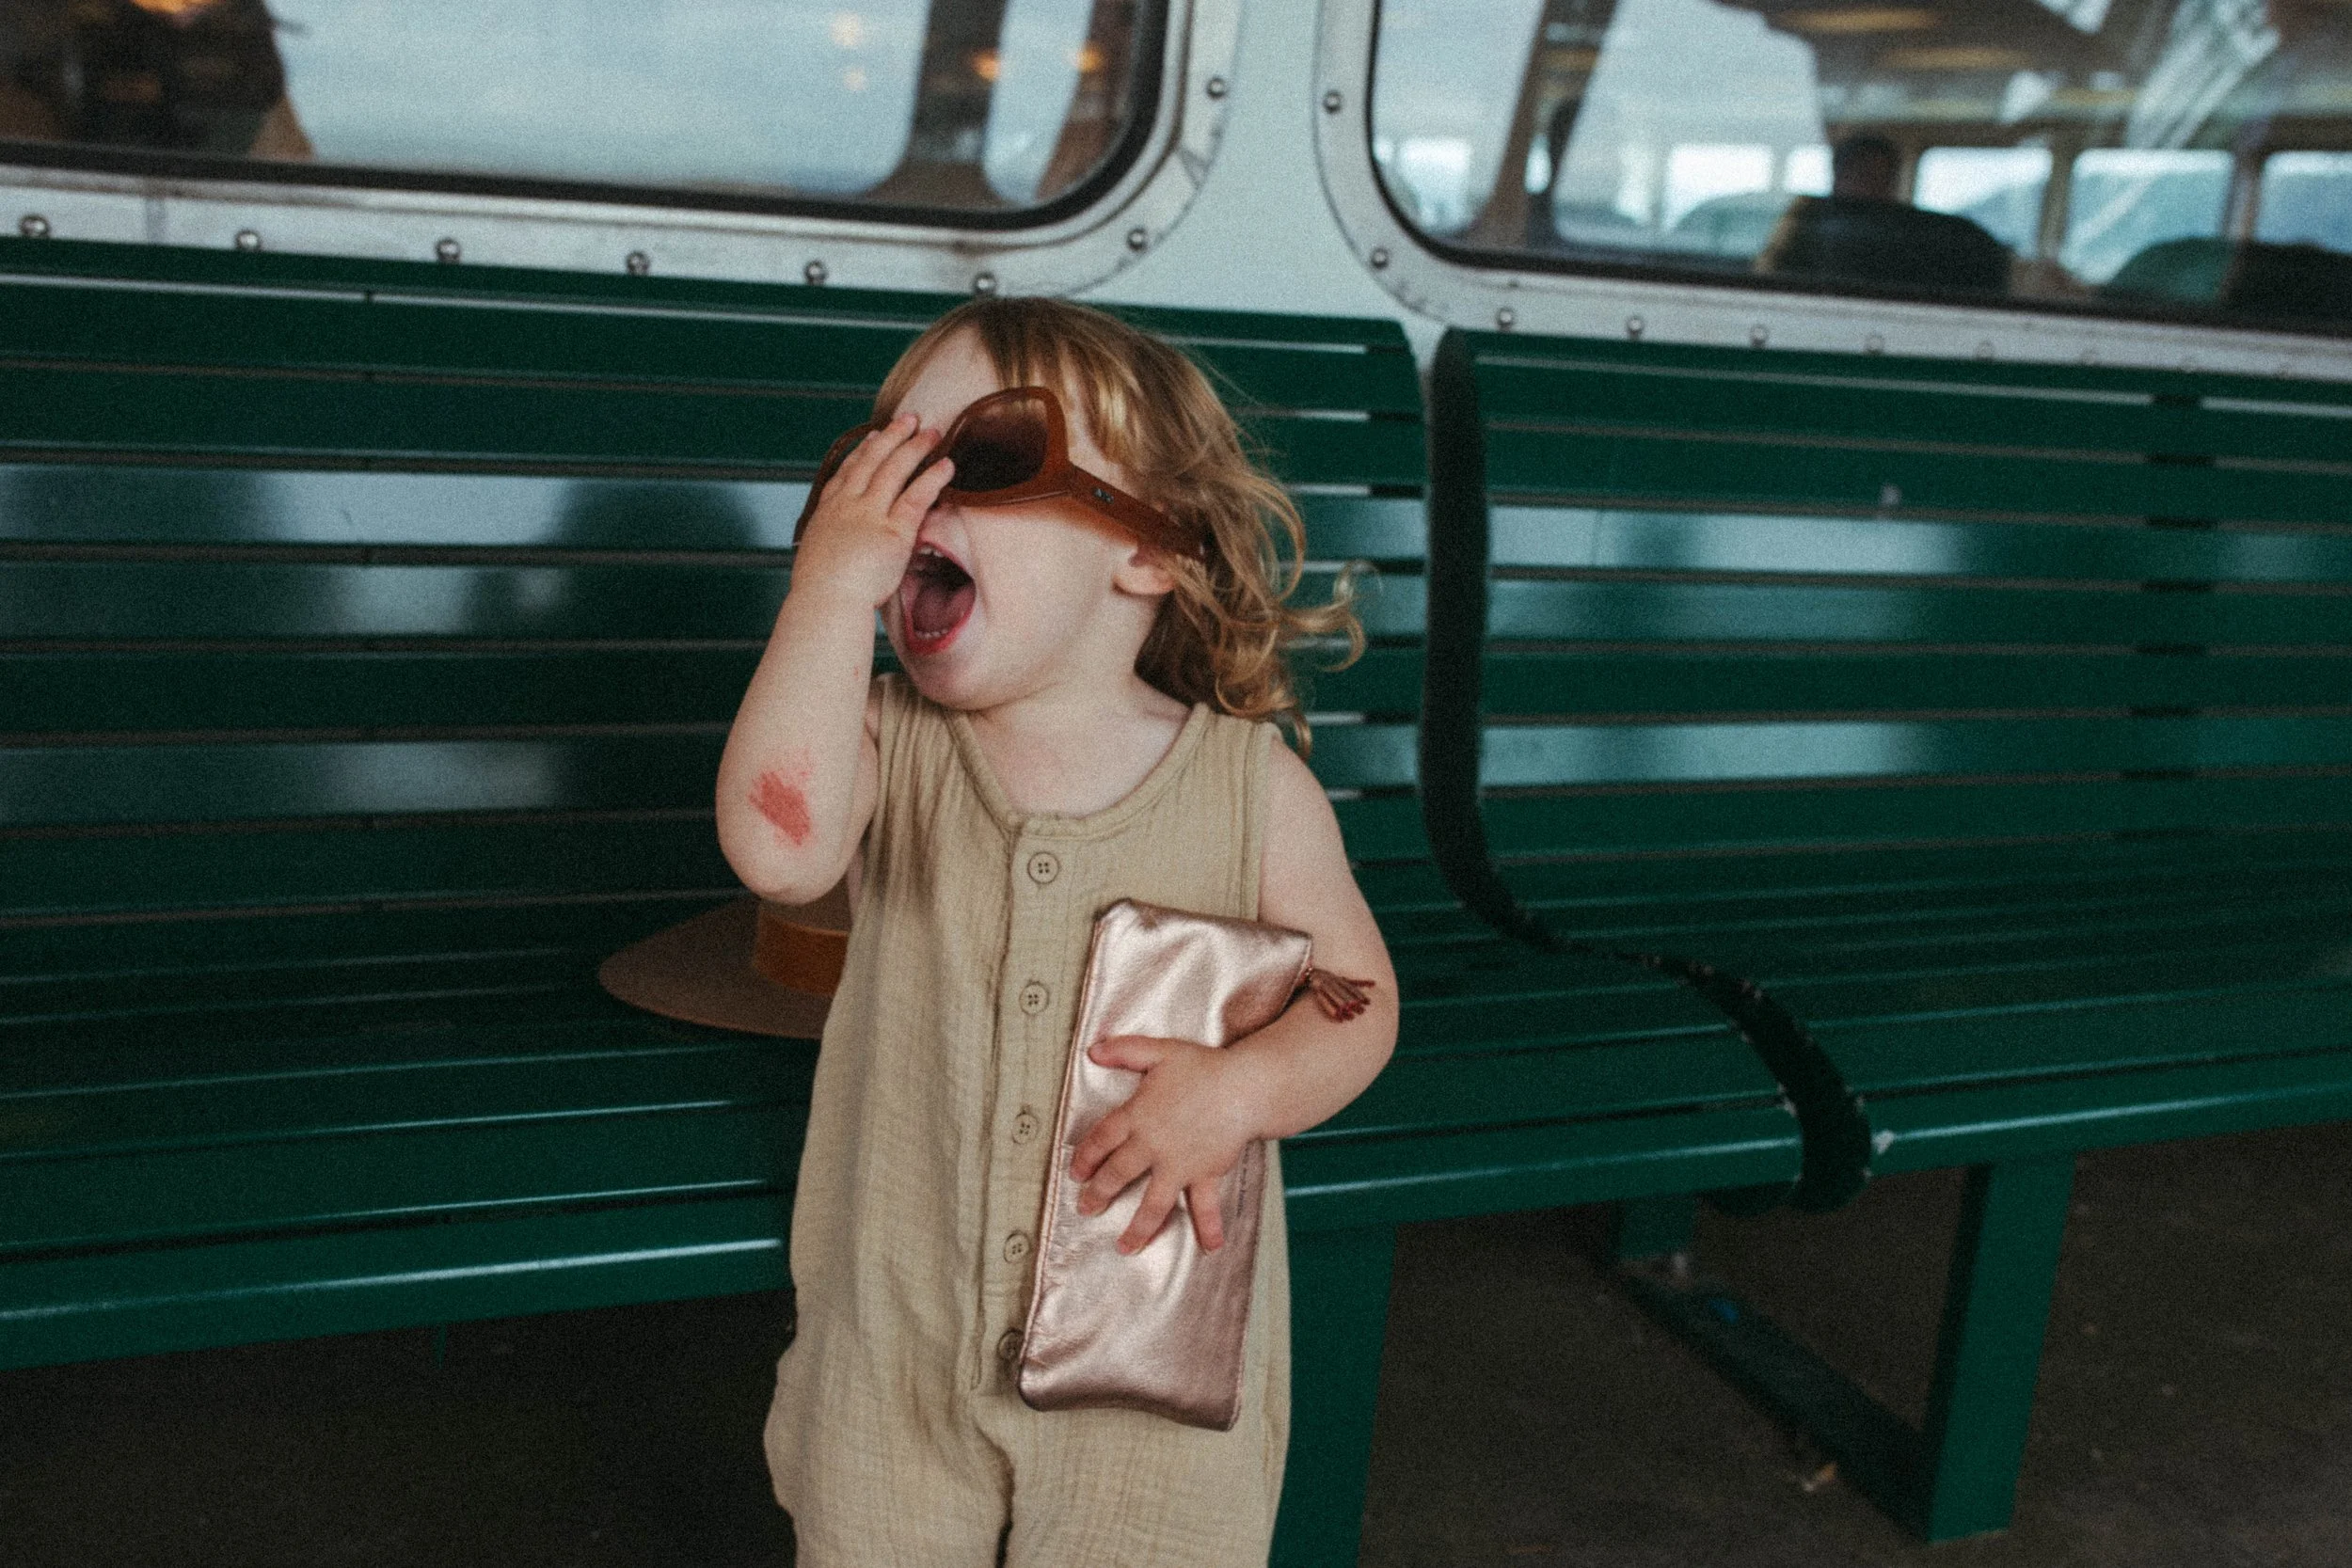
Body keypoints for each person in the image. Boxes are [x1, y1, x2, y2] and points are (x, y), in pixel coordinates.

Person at [715, 297, 1401, 1568]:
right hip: (895, 1356)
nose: (910, 504)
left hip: (1145, 1380)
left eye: (979, 462)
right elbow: (777, 844)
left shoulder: (1250, 790)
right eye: (883, 464)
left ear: (1147, 551)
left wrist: (1242, 1089)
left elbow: (1360, 996)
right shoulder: (887, 739)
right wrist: (825, 593)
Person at [1756, 132, 2010, 294]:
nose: (1874, 188)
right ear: (1838, 177)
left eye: (1884, 179)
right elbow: (1769, 279)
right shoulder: (1805, 225)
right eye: (1862, 176)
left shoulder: (1928, 238)